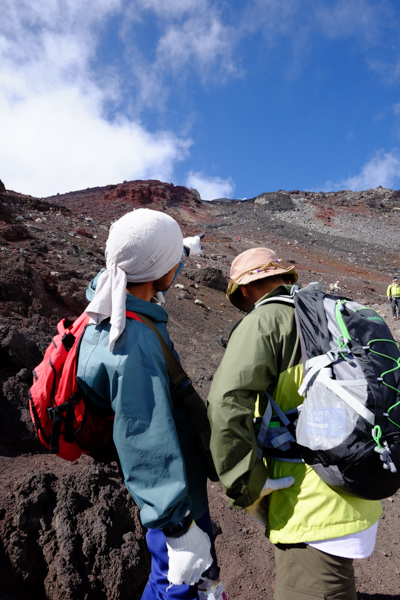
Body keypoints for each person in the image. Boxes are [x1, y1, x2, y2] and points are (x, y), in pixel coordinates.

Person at [207, 247, 382, 600]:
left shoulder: (266, 319)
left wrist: (247, 485)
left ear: (243, 290)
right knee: (337, 584)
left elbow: (226, 404)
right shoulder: (335, 313)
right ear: (287, 278)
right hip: (358, 483)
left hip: (310, 505)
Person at [77, 209, 216, 599]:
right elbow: (144, 441)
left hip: (165, 495)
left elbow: (146, 258)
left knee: (173, 580)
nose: (178, 265)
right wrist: (178, 528)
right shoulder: (133, 345)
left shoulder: (109, 295)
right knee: (177, 583)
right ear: (156, 269)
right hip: (173, 500)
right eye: (174, 259)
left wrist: (182, 250)